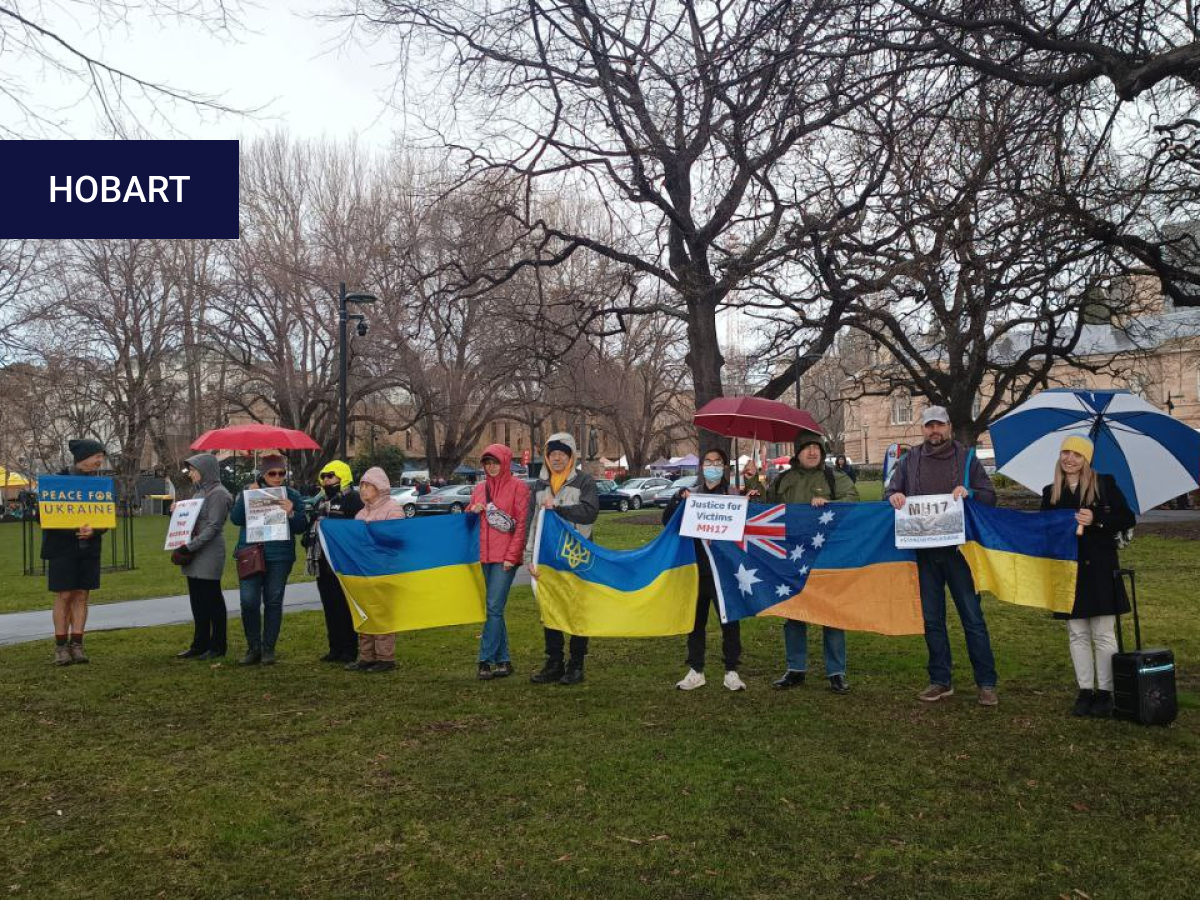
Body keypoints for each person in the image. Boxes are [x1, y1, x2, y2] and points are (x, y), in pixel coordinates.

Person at [886, 406, 1000, 706]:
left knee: (972, 618)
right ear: (923, 429)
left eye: (939, 425)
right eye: (929, 426)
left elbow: (990, 495)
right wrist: (894, 496)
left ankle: (986, 682)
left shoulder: (967, 458)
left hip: (960, 553)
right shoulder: (909, 460)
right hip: (924, 553)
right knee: (932, 619)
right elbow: (891, 491)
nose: (934, 430)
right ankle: (940, 680)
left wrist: (970, 492)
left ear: (949, 426)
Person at [1040, 435, 1135, 718]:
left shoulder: (1105, 484)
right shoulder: (1050, 491)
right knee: (1077, 633)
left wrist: (1097, 520)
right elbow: (1044, 528)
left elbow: (1127, 518)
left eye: (1077, 454)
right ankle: (1085, 691)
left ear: (1086, 459)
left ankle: (1105, 692)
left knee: (1103, 633)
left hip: (1101, 569)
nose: (1069, 459)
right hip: (1069, 571)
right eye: (1065, 452)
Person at [765, 429, 859, 693]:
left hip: (827, 555)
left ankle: (836, 672)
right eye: (807, 448)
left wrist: (829, 503)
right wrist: (752, 482)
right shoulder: (783, 480)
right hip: (793, 556)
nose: (812, 452)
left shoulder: (834, 477)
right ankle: (795, 669)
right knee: (794, 612)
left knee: (832, 612)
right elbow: (765, 506)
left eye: (816, 447)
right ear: (797, 453)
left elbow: (853, 499)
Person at [664, 447, 747, 692]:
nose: (712, 466)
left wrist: (753, 493)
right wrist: (678, 498)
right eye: (708, 462)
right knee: (695, 621)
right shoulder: (692, 495)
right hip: (697, 569)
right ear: (702, 467)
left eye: (717, 462)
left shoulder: (734, 495)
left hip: (725, 571)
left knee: (729, 621)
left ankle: (731, 670)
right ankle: (696, 669)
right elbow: (667, 521)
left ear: (725, 467)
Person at [526, 432, 600, 685]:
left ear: (571, 457)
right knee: (551, 607)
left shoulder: (584, 481)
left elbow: (590, 512)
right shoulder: (540, 485)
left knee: (577, 609)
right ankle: (554, 662)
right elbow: (532, 521)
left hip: (577, 556)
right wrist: (530, 555)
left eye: (561, 454)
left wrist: (558, 509)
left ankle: (576, 663)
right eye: (552, 454)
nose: (557, 458)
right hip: (549, 557)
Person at [229, 454, 307, 666]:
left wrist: (291, 512)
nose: (277, 477)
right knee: (249, 601)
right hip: (251, 553)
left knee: (273, 602)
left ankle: (268, 649)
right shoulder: (250, 491)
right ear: (263, 474)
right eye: (272, 473)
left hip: (280, 556)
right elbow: (235, 519)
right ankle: (253, 647)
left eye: (281, 473)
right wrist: (247, 497)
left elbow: (301, 526)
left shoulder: (292, 495)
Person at [41, 439, 108, 666]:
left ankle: (77, 644)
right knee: (65, 595)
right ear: (83, 457)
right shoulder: (57, 482)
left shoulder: (99, 485)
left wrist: (94, 530)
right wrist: (74, 530)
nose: (100, 461)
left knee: (82, 595)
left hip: (89, 550)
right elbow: (44, 517)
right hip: (62, 549)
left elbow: (106, 517)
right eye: (97, 456)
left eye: (101, 457)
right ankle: (61, 647)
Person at [467, 444, 531, 681]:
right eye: (487, 463)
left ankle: (485, 659)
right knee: (495, 609)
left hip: (505, 558)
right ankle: (504, 660)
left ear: (504, 462)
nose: (491, 467)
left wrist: (512, 556)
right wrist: (472, 509)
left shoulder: (519, 488)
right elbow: (469, 518)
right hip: (483, 555)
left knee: (493, 606)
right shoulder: (479, 488)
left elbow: (521, 525)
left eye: (495, 462)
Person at [344, 467, 406, 673]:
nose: (363, 489)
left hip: (384, 569)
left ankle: (386, 657)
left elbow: (397, 537)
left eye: (368, 485)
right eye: (361, 485)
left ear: (379, 487)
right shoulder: (361, 513)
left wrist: (373, 532)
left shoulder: (393, 509)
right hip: (364, 571)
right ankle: (366, 657)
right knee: (365, 611)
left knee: (382, 613)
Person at [171, 454, 233, 661]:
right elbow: (191, 519)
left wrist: (189, 547)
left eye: (193, 470)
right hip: (194, 550)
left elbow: (213, 527)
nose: (191, 474)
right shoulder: (199, 492)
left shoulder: (219, 494)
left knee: (212, 599)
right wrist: (177, 512)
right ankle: (200, 644)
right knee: (197, 600)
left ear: (205, 470)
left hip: (209, 552)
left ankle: (218, 645)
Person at [302, 460, 363, 663]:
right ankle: (334, 648)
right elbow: (311, 526)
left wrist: (331, 525)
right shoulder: (320, 501)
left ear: (342, 476)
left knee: (344, 607)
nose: (326, 480)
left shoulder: (353, 499)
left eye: (331, 475)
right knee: (329, 606)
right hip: (321, 560)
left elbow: (358, 527)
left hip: (342, 561)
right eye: (324, 476)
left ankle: (349, 649)